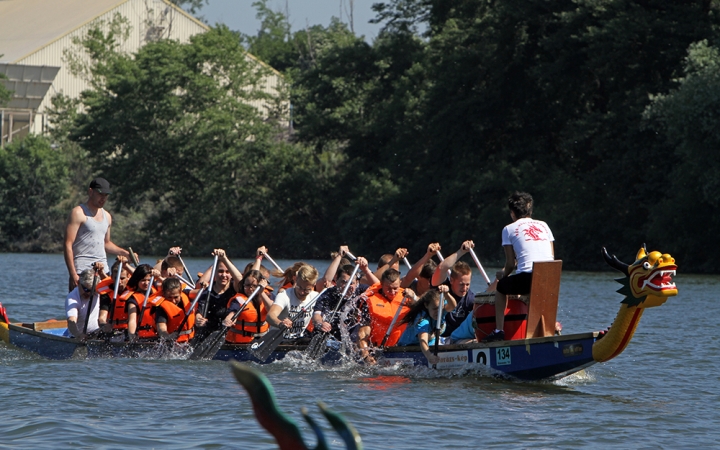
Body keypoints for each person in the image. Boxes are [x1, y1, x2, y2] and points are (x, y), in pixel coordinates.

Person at [485, 191, 555, 342]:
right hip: (551, 277)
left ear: (512, 213)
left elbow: (510, 264)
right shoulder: (544, 225)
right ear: (530, 210)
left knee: (501, 287)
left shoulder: (508, 229)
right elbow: (551, 258)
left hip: (528, 277)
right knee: (535, 287)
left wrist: (503, 274)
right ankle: (547, 329)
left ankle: (498, 330)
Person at [63, 177, 133, 291]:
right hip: (82, 271)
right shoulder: (78, 213)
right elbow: (67, 244)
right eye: (100, 194)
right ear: (91, 192)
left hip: (103, 271)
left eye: (106, 195)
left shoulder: (107, 216)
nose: (103, 198)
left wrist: (125, 253)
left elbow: (106, 243)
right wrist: (73, 274)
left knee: (103, 308)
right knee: (83, 308)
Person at [356, 268, 418, 363]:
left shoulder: (408, 297)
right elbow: (363, 334)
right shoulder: (369, 301)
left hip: (402, 349)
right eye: (388, 288)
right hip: (377, 350)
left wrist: (414, 297)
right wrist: (366, 356)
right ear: (381, 284)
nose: (392, 292)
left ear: (400, 283)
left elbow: (428, 307)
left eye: (395, 288)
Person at [311, 257, 377, 341]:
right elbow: (316, 316)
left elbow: (381, 287)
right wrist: (320, 324)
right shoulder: (327, 294)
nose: (347, 286)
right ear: (336, 280)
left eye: (351, 283)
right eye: (343, 282)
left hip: (351, 338)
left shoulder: (361, 291)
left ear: (357, 283)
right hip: (330, 337)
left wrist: (366, 269)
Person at [396, 285, 457, 365]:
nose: (438, 312)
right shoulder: (423, 320)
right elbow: (423, 340)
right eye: (434, 309)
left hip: (431, 342)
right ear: (426, 305)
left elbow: (453, 305)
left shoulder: (441, 308)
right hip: (409, 347)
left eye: (440, 308)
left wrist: (446, 294)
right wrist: (429, 356)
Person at [194, 249, 244, 341]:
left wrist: (224, 258)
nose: (224, 275)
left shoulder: (235, 288)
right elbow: (200, 310)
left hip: (229, 336)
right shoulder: (207, 291)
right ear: (215, 273)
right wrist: (198, 318)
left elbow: (241, 281)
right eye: (220, 271)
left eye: (227, 272)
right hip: (207, 334)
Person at [431, 240, 476, 337]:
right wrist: (461, 251)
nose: (464, 288)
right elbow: (442, 267)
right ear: (451, 280)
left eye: (467, 284)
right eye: (461, 284)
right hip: (441, 338)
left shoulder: (471, 298)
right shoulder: (442, 287)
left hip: (459, 338)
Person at [266, 264, 320, 342]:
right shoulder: (284, 295)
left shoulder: (316, 297)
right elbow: (270, 316)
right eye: (299, 287)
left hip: (298, 340)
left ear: (314, 285)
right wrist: (280, 323)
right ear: (296, 279)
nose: (302, 292)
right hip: (278, 340)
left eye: (307, 289)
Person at [223, 270, 274, 344]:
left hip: (261, 342)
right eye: (247, 285)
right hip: (239, 343)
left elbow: (272, 311)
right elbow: (233, 311)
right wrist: (228, 318)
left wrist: (261, 292)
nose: (250, 289)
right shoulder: (238, 299)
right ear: (243, 285)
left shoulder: (268, 296)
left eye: (254, 286)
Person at [97, 256, 133, 334]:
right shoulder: (106, 293)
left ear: (128, 277)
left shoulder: (133, 291)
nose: (119, 282)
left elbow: (141, 276)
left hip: (129, 329)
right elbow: (102, 317)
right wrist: (103, 325)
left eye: (122, 278)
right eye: (116, 278)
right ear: (112, 278)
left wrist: (126, 265)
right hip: (112, 330)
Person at [125, 264, 161, 340]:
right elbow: (132, 320)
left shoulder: (156, 290)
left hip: (157, 336)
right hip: (141, 337)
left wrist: (159, 277)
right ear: (137, 281)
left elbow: (171, 287)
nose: (146, 283)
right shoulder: (133, 299)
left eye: (149, 280)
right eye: (143, 280)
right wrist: (132, 336)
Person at [154, 277, 195, 343]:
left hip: (191, 339)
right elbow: (161, 328)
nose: (173, 301)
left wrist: (204, 287)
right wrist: (167, 336)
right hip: (174, 343)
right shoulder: (161, 308)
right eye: (169, 297)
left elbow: (201, 292)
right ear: (164, 294)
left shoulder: (187, 295)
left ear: (180, 292)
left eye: (176, 297)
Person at [65, 266, 102, 339]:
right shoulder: (72, 298)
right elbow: (71, 320)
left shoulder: (98, 288)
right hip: (78, 336)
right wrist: (78, 335)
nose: (89, 294)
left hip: (97, 333)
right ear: (78, 283)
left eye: (92, 291)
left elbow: (111, 282)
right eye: (86, 290)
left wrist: (102, 271)